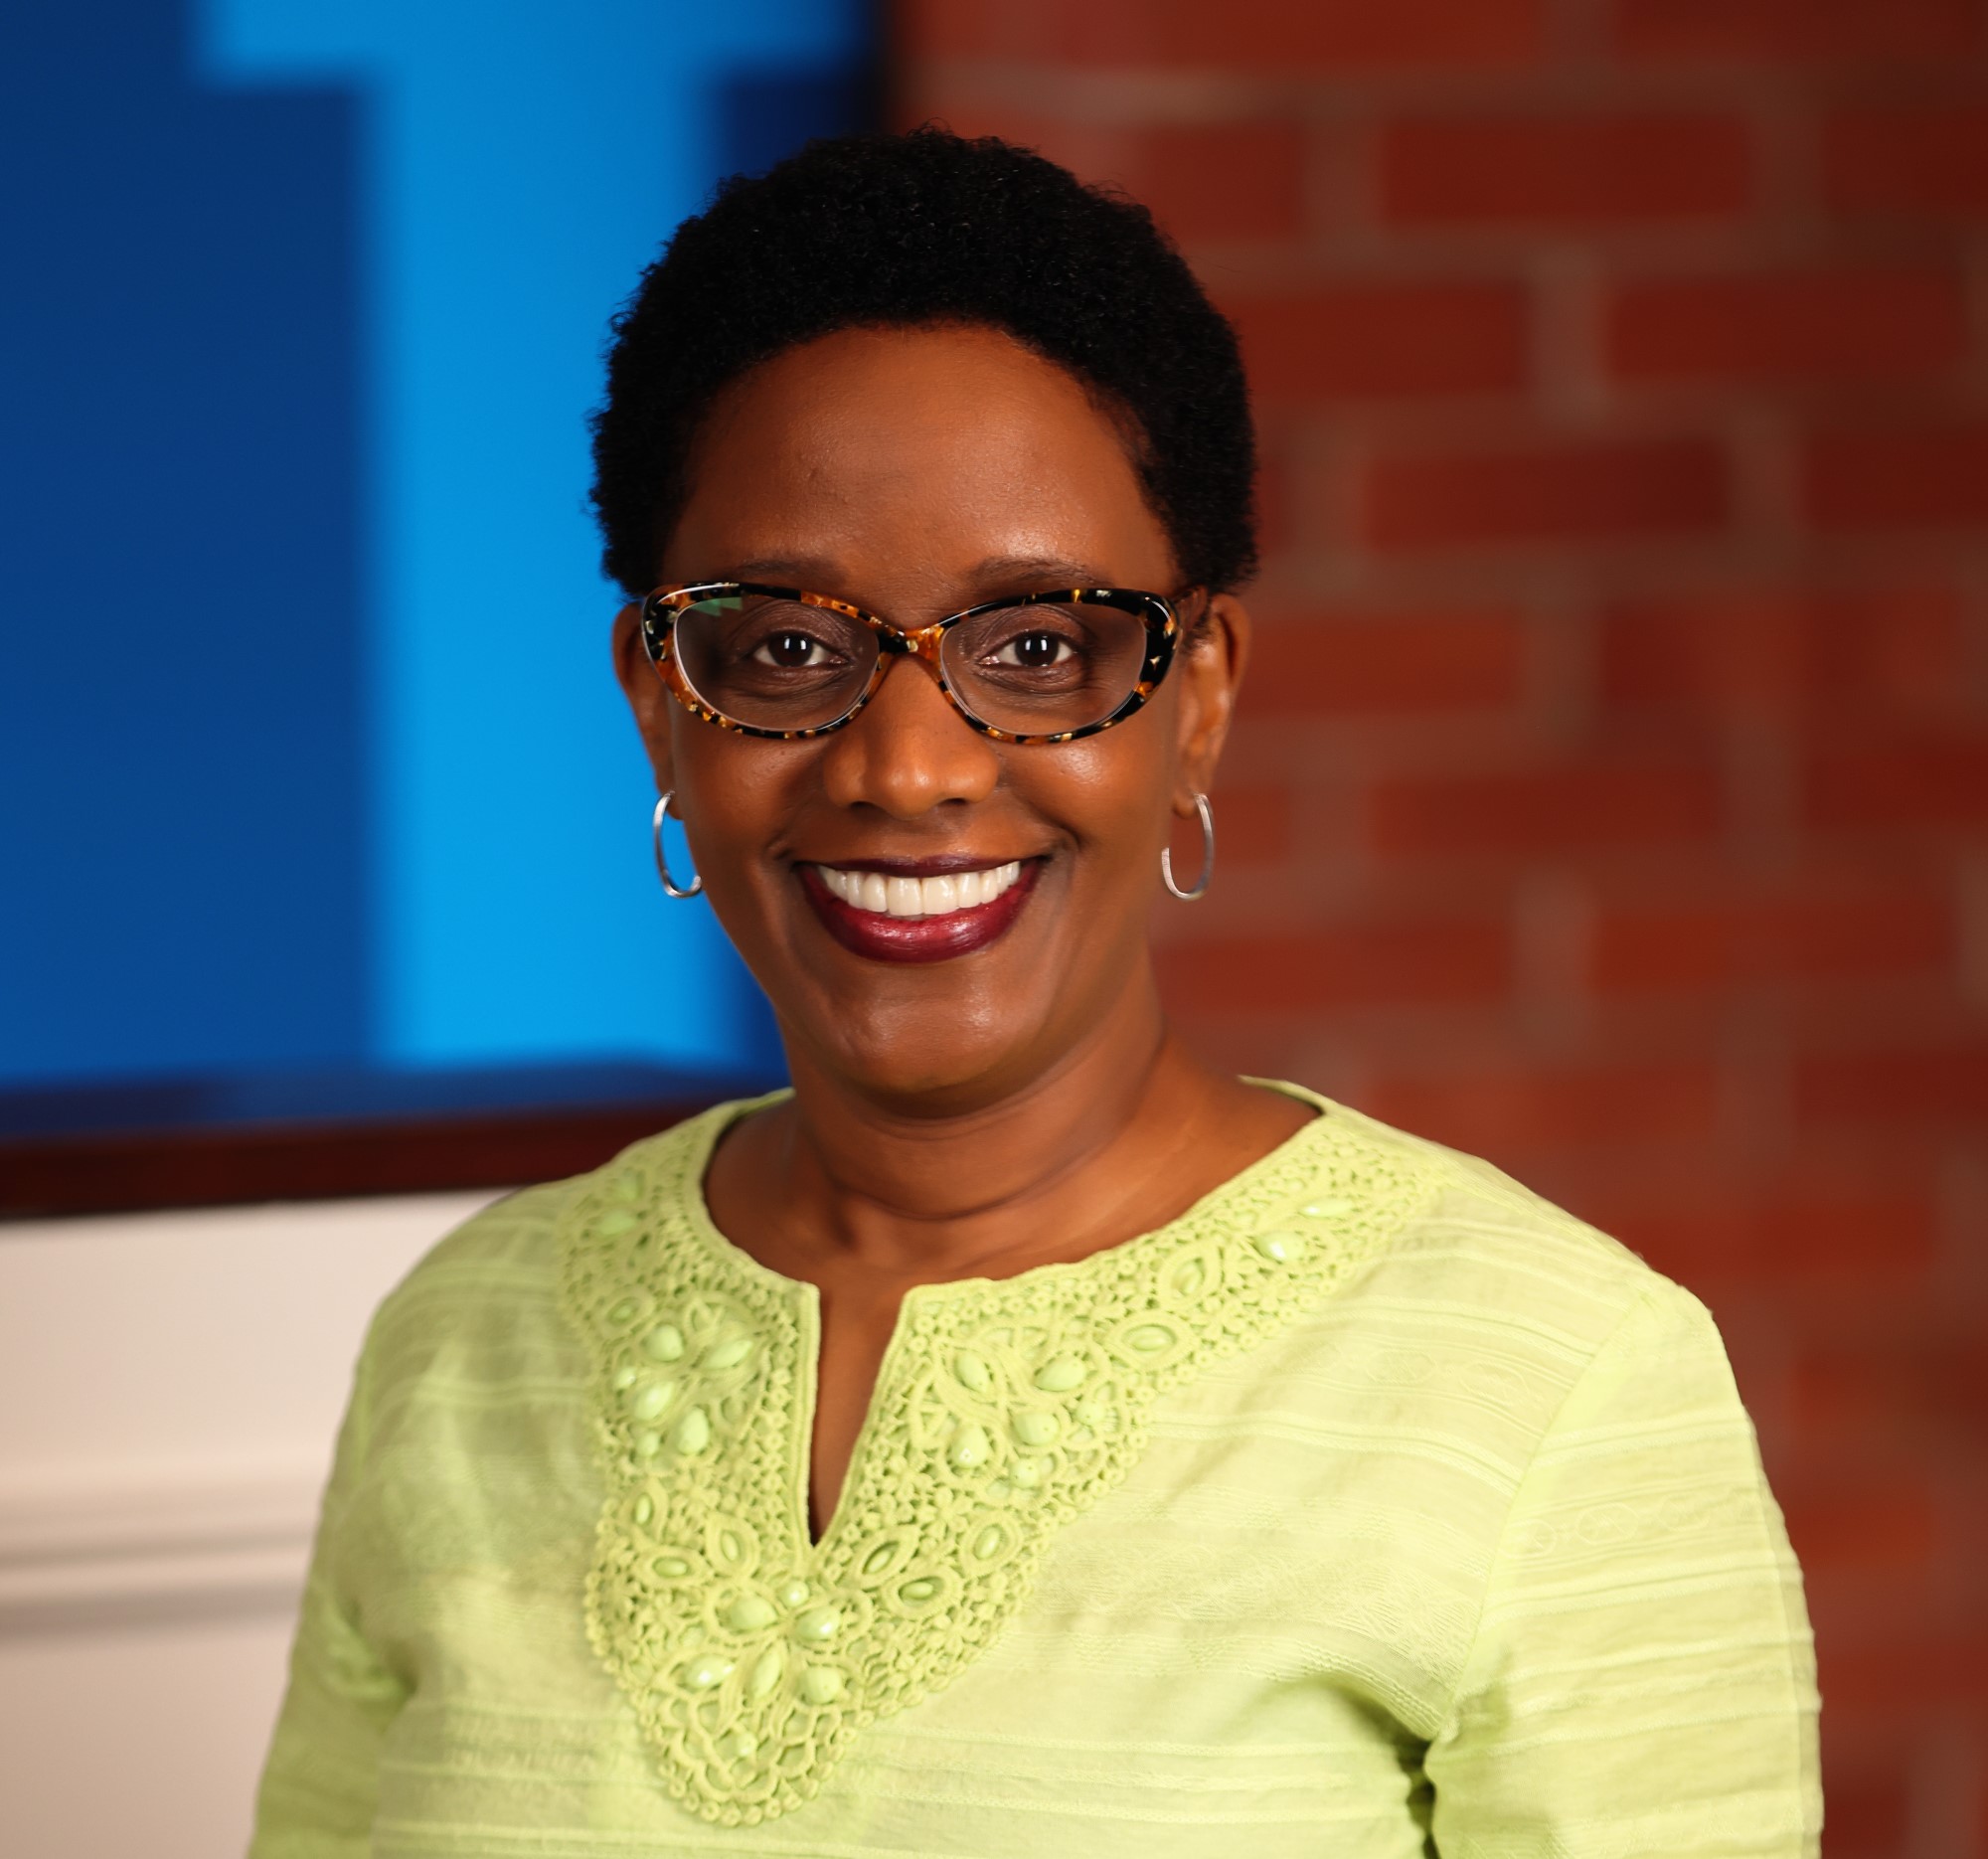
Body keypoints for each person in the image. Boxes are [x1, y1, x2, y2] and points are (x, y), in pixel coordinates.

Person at [250, 129, 1820, 1856]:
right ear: (660, 699)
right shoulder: (462, 1350)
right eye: (786, 647)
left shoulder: (1550, 1384)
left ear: (1197, 694)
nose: (908, 767)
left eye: (1037, 647)